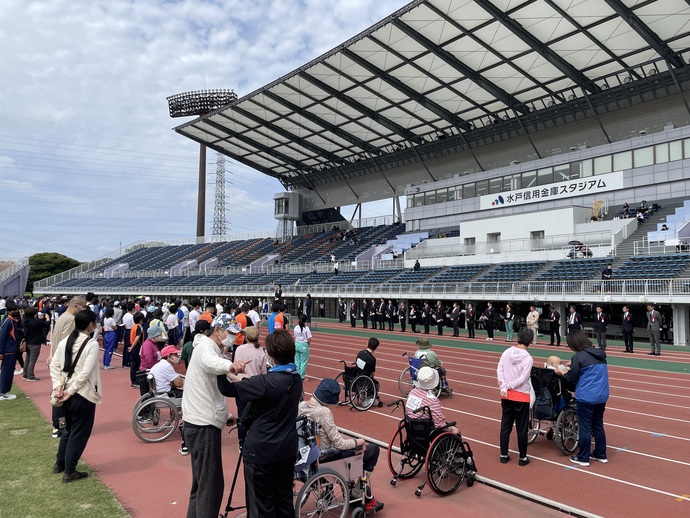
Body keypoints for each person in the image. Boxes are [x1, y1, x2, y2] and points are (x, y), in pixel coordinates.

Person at [217, 329, 302, 518]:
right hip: (286, 449)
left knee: (260, 508)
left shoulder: (264, 383)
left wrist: (222, 366)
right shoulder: (296, 379)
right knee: (284, 503)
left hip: (261, 451)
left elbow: (225, 388)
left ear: (270, 355)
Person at [182, 314, 249, 518]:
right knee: (210, 485)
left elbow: (212, 387)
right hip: (203, 425)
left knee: (203, 483)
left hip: (200, 421)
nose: (232, 337)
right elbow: (213, 363)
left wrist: (226, 414)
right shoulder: (206, 348)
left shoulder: (208, 347)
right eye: (230, 333)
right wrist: (231, 366)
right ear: (218, 330)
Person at [299, 379, 384, 513]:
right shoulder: (324, 412)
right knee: (373, 450)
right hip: (326, 457)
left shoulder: (301, 406)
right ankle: (357, 491)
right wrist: (359, 441)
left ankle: (343, 489)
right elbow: (340, 444)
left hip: (307, 457)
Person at [49, 309, 102, 482]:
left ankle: (60, 464)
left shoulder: (66, 341)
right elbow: (85, 373)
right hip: (82, 395)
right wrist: (69, 391)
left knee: (69, 431)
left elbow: (54, 365)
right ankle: (69, 470)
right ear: (90, 325)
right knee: (79, 433)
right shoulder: (91, 344)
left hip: (66, 392)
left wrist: (58, 387)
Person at [554, 331, 609, 467]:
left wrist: (562, 373)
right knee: (598, 425)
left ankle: (583, 457)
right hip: (602, 395)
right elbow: (589, 370)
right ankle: (601, 454)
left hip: (586, 397)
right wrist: (573, 367)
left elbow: (572, 379)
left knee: (584, 426)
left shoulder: (578, 357)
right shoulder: (600, 354)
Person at [496, 327, 534, 466]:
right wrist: (510, 385)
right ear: (530, 340)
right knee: (521, 427)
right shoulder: (528, 358)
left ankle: (503, 455)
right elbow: (523, 378)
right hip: (521, 396)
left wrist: (504, 385)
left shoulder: (506, 352)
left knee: (506, 425)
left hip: (506, 395)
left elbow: (499, 370)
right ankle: (523, 458)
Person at [233, 325, 268, 447]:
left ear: (246, 337)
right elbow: (264, 372)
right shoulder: (261, 351)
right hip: (256, 387)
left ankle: (242, 441)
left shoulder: (239, 350)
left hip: (242, 385)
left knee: (242, 414)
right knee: (257, 414)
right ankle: (255, 439)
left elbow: (235, 368)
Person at [405, 366, 459, 435]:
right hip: (427, 432)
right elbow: (439, 425)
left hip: (412, 430)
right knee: (456, 431)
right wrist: (450, 428)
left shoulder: (412, 393)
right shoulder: (433, 401)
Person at [21, 306, 50, 381]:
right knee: (32, 360)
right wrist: (47, 319)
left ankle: (25, 374)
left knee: (28, 359)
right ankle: (30, 375)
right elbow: (45, 325)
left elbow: (38, 323)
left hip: (28, 341)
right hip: (35, 342)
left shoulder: (25, 321)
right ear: (34, 314)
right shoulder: (35, 322)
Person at [0, 301, 21, 400]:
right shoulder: (8, 321)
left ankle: (5, 391)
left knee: (9, 371)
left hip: (11, 350)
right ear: (9, 311)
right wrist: (1, 352)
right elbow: (2, 337)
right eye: (14, 310)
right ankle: (3, 392)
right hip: (8, 351)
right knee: (6, 372)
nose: (16, 311)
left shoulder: (12, 321)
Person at [356, 337, 381, 405]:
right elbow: (372, 373)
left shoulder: (360, 353)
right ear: (375, 348)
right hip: (364, 379)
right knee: (376, 383)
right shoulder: (372, 359)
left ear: (367, 344)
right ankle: (370, 398)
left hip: (356, 375)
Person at [293, 314, 312, 381]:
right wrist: (308, 345)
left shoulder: (295, 328)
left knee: (297, 361)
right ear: (305, 320)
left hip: (297, 344)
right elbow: (309, 338)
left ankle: (297, 375)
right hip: (304, 345)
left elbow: (295, 337)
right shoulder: (306, 328)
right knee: (303, 362)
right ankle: (302, 377)